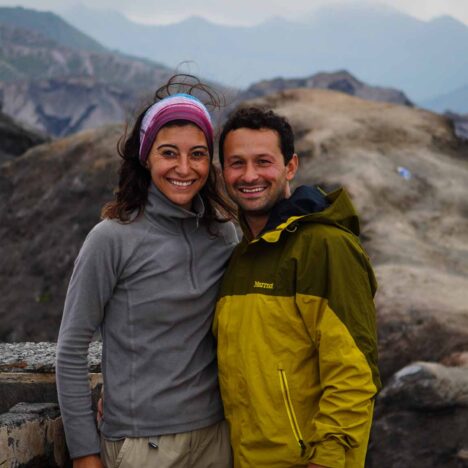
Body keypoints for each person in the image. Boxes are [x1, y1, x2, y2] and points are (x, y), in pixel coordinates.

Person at [56, 75, 237, 468]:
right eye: (169, 153)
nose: (185, 168)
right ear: (146, 156)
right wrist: (84, 454)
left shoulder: (223, 234)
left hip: (218, 439)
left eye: (198, 154)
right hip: (142, 446)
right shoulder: (111, 238)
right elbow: (70, 350)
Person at [213, 107, 381, 468]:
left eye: (263, 161)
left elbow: (354, 372)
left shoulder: (325, 246)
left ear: (290, 167)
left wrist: (328, 459)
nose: (249, 175)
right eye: (236, 163)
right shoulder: (241, 257)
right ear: (223, 172)